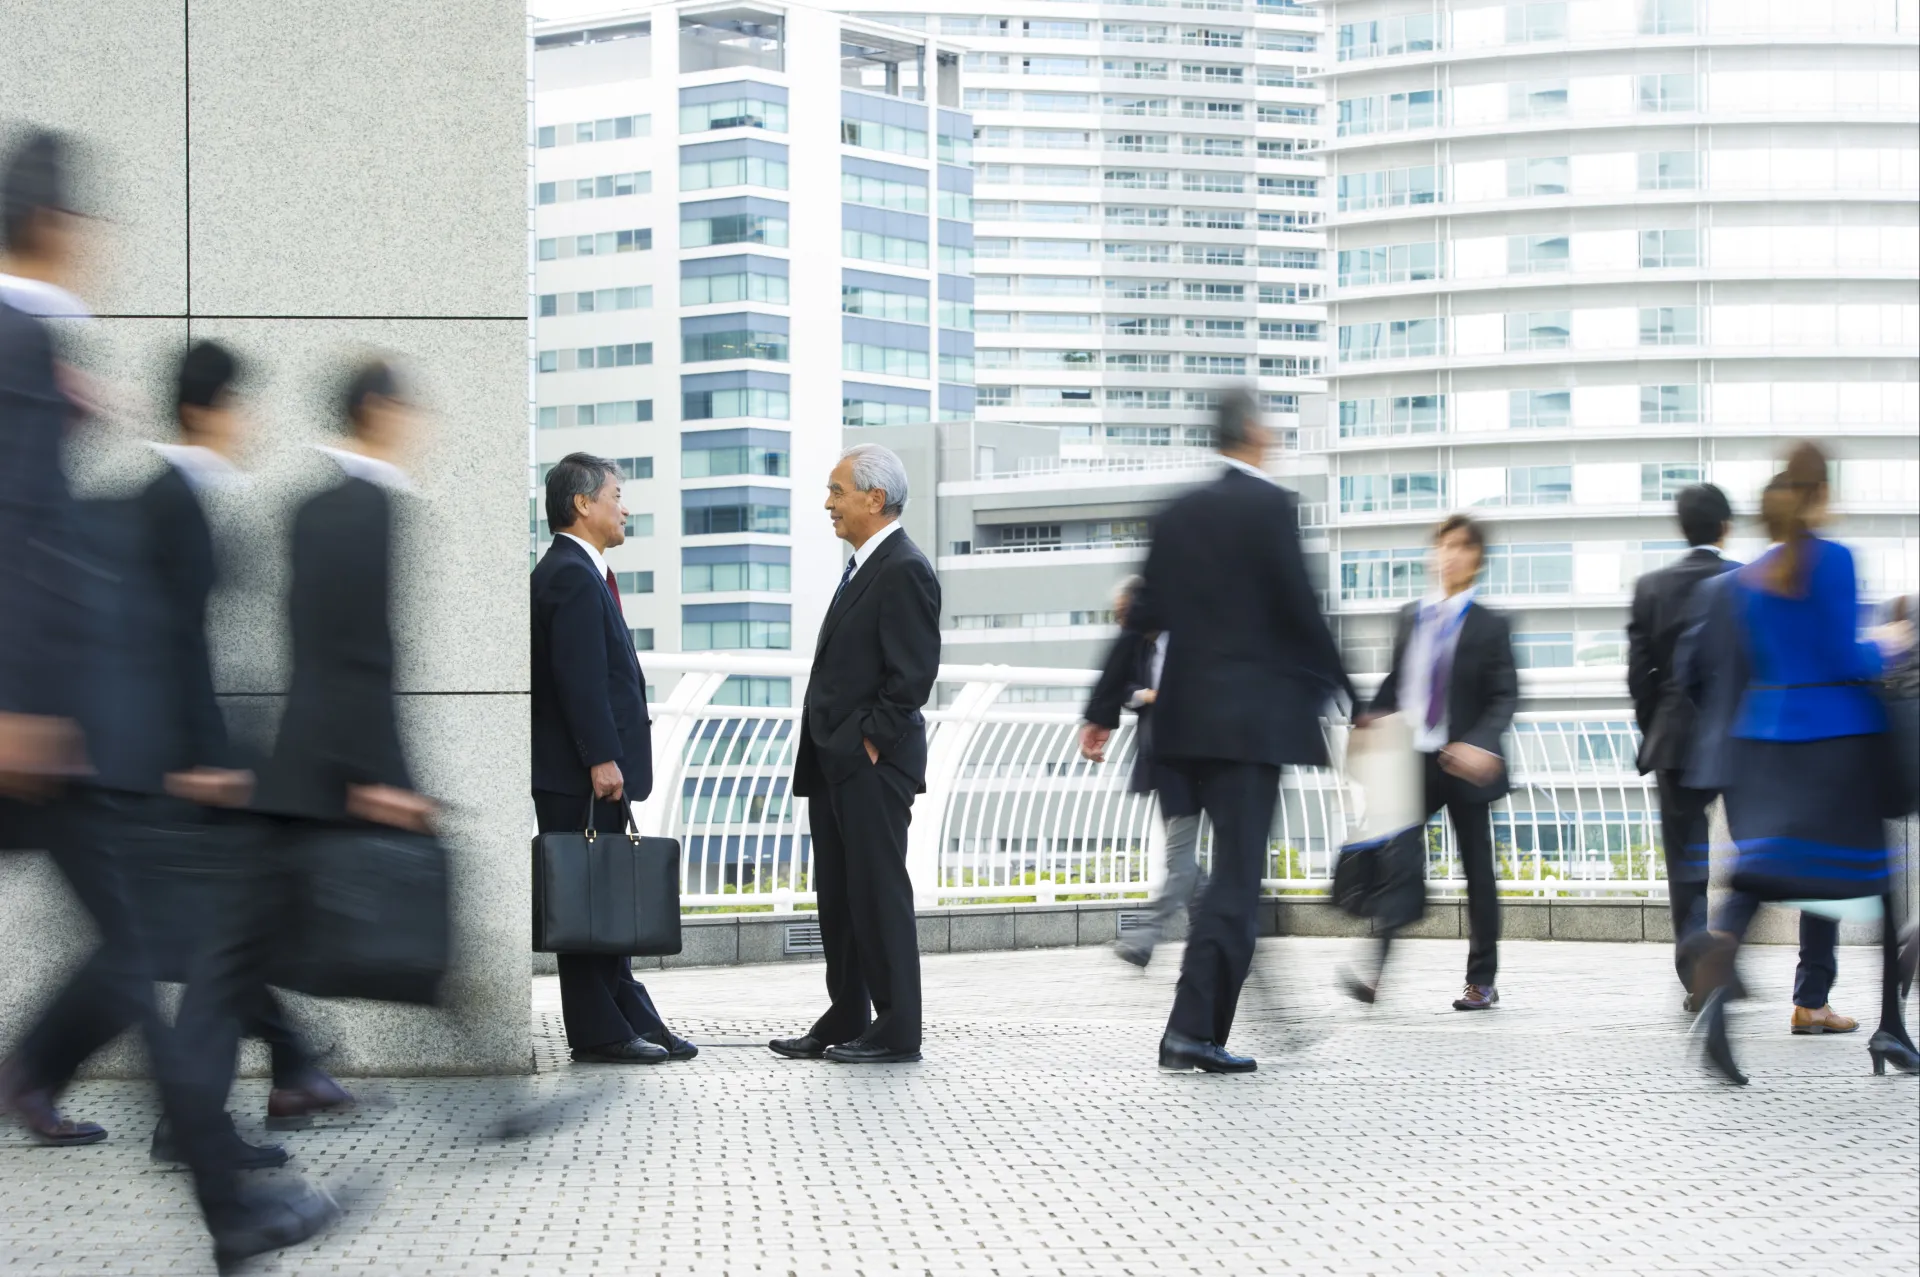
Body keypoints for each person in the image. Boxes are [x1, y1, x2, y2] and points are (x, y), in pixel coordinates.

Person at [0, 128, 339, 1271]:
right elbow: (17, 533)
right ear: (57, 225)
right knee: (145, 951)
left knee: (143, 953)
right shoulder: (17, 338)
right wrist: (25, 704)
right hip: (42, 726)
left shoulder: (39, 343)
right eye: (89, 226)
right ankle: (218, 1186)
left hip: (63, 725)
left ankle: (220, 1192)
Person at [1083, 391, 1352, 1073]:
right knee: (1235, 879)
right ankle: (1191, 1031)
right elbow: (1302, 609)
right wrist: (1356, 694)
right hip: (1250, 726)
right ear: (1256, 433)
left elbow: (1143, 616)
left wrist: (1102, 708)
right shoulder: (1269, 507)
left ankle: (1200, 1023)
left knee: (1228, 884)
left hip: (1180, 725)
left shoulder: (1178, 512)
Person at [1684, 442, 1919, 1083]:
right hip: (1839, 740)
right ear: (1821, 494)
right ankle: (1891, 1031)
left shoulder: (1751, 577)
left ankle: (1720, 998)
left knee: (1761, 875)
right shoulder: (1835, 560)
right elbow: (1845, 659)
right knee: (1881, 883)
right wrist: (1890, 646)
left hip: (1769, 740)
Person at [771, 444, 940, 1065]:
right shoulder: (863, 566)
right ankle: (846, 1014)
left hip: (870, 764)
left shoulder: (903, 567)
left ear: (875, 498)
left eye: (837, 492)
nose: (828, 504)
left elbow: (912, 677)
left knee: (877, 893)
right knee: (838, 896)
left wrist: (868, 741)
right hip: (836, 762)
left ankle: (897, 1029)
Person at [531, 452, 692, 1065]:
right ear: (583, 504)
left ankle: (633, 1020)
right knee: (586, 905)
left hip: (588, 772)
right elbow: (580, 680)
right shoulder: (570, 574)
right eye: (617, 495)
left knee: (603, 901)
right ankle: (600, 1033)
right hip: (579, 774)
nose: (625, 508)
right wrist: (602, 758)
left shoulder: (582, 571)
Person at [1355, 515, 1517, 1011]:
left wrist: (1480, 744)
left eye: (1463, 548)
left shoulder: (1491, 625)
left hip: (1464, 763)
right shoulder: (1411, 616)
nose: (1451, 556)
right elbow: (1396, 683)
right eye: (1444, 546)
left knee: (1478, 874)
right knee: (1396, 861)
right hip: (1414, 761)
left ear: (1477, 561)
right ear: (1433, 554)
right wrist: (1368, 717)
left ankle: (1481, 981)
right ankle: (1375, 970)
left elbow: (1505, 696)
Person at [1626, 484, 1740, 1009]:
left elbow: (1639, 677)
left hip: (1674, 740)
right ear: (1725, 527)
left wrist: (1659, 724)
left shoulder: (1651, 587)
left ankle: (1696, 972)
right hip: (1741, 738)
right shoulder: (1745, 581)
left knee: (1686, 865)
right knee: (1758, 857)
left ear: (1683, 527)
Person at [1082, 575, 1201, 967]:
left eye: (1124, 615)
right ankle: (1222, 939)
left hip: (1202, 761)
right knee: (1182, 863)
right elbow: (1123, 685)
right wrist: (1144, 695)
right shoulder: (1141, 646)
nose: (1121, 625)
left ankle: (1146, 935)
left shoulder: (1190, 638)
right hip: (1165, 765)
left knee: (1180, 861)